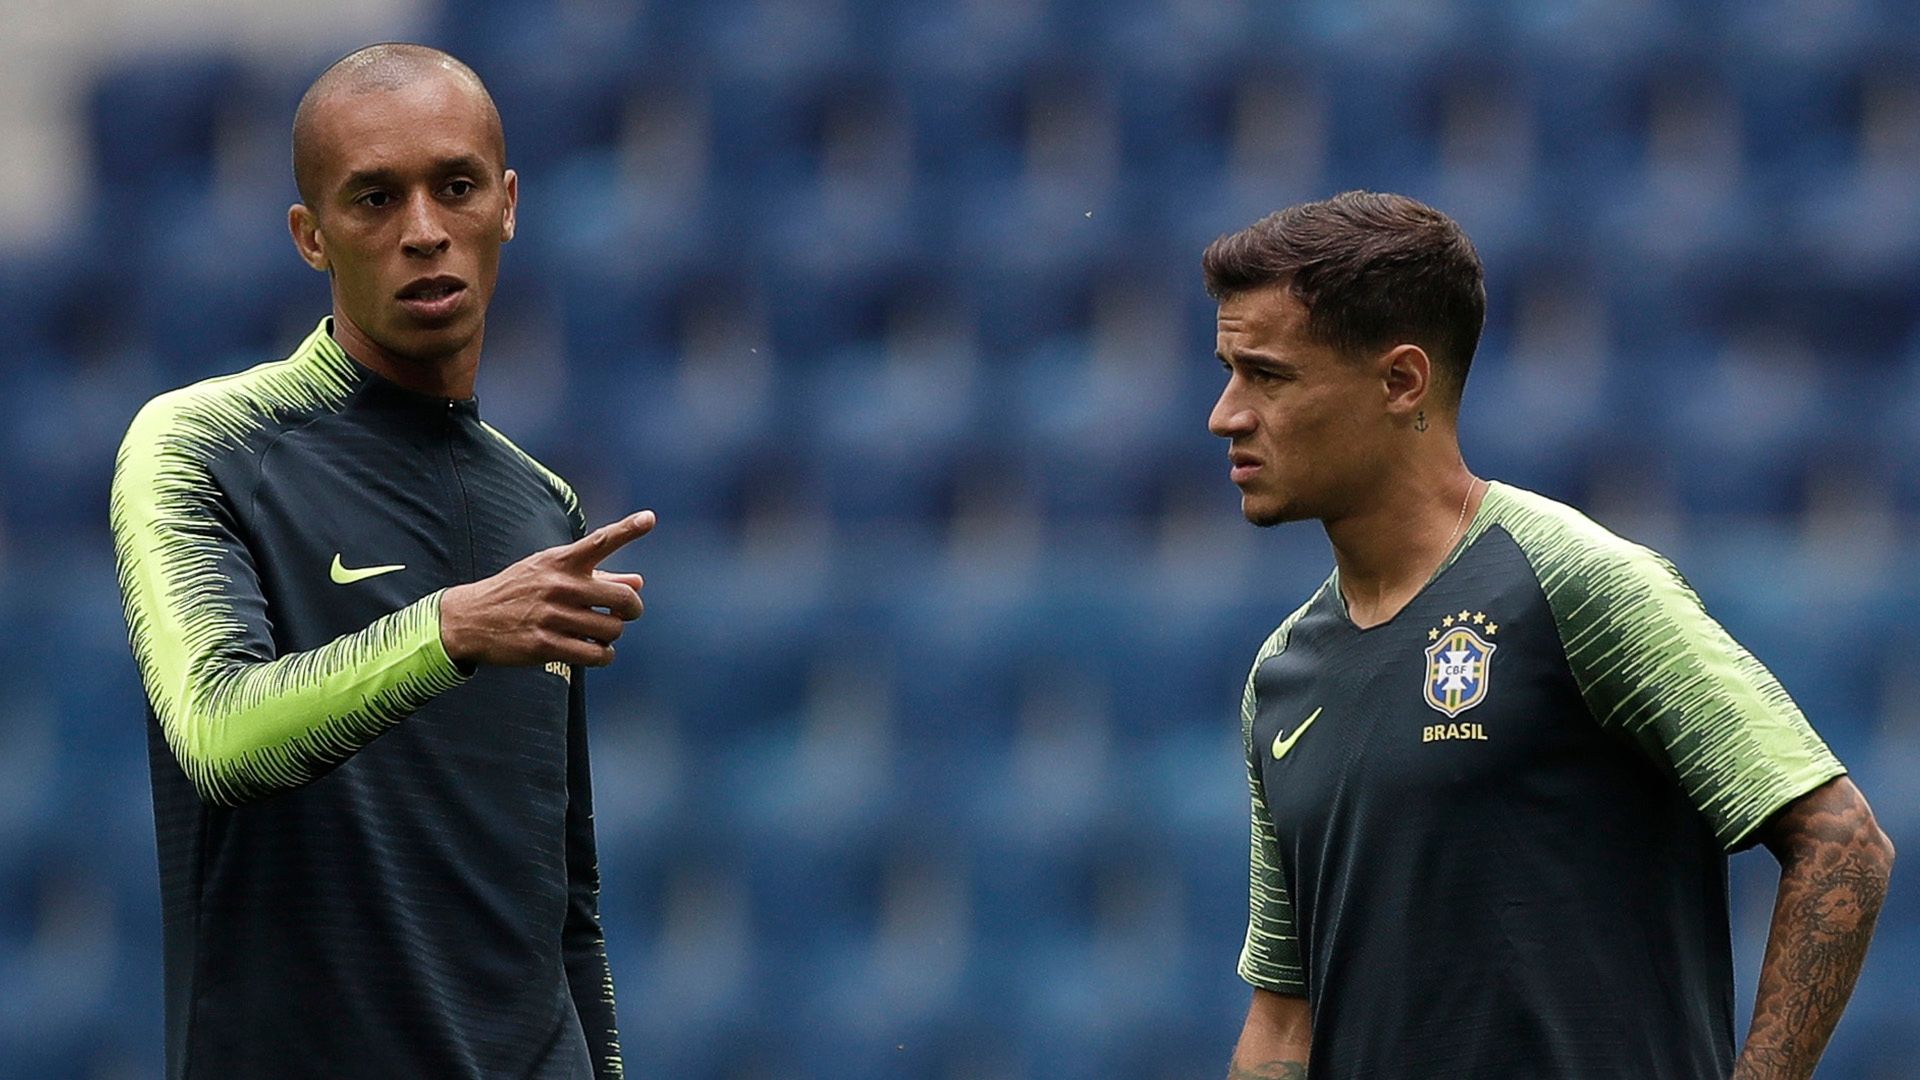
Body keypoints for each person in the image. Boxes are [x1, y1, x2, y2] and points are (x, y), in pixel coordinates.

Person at [1204, 192, 1894, 1080]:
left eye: (1266, 376)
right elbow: (1283, 1023)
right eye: (1228, 373)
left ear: (1401, 382)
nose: (1226, 414)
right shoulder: (1283, 674)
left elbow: (1842, 844)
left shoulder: (1575, 581)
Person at [108, 44, 642, 1080]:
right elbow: (219, 735)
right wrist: (449, 631)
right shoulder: (202, 445)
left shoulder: (545, 510)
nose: (424, 230)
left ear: (508, 205)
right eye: (375, 199)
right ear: (311, 235)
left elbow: (567, 910)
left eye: (456, 187)